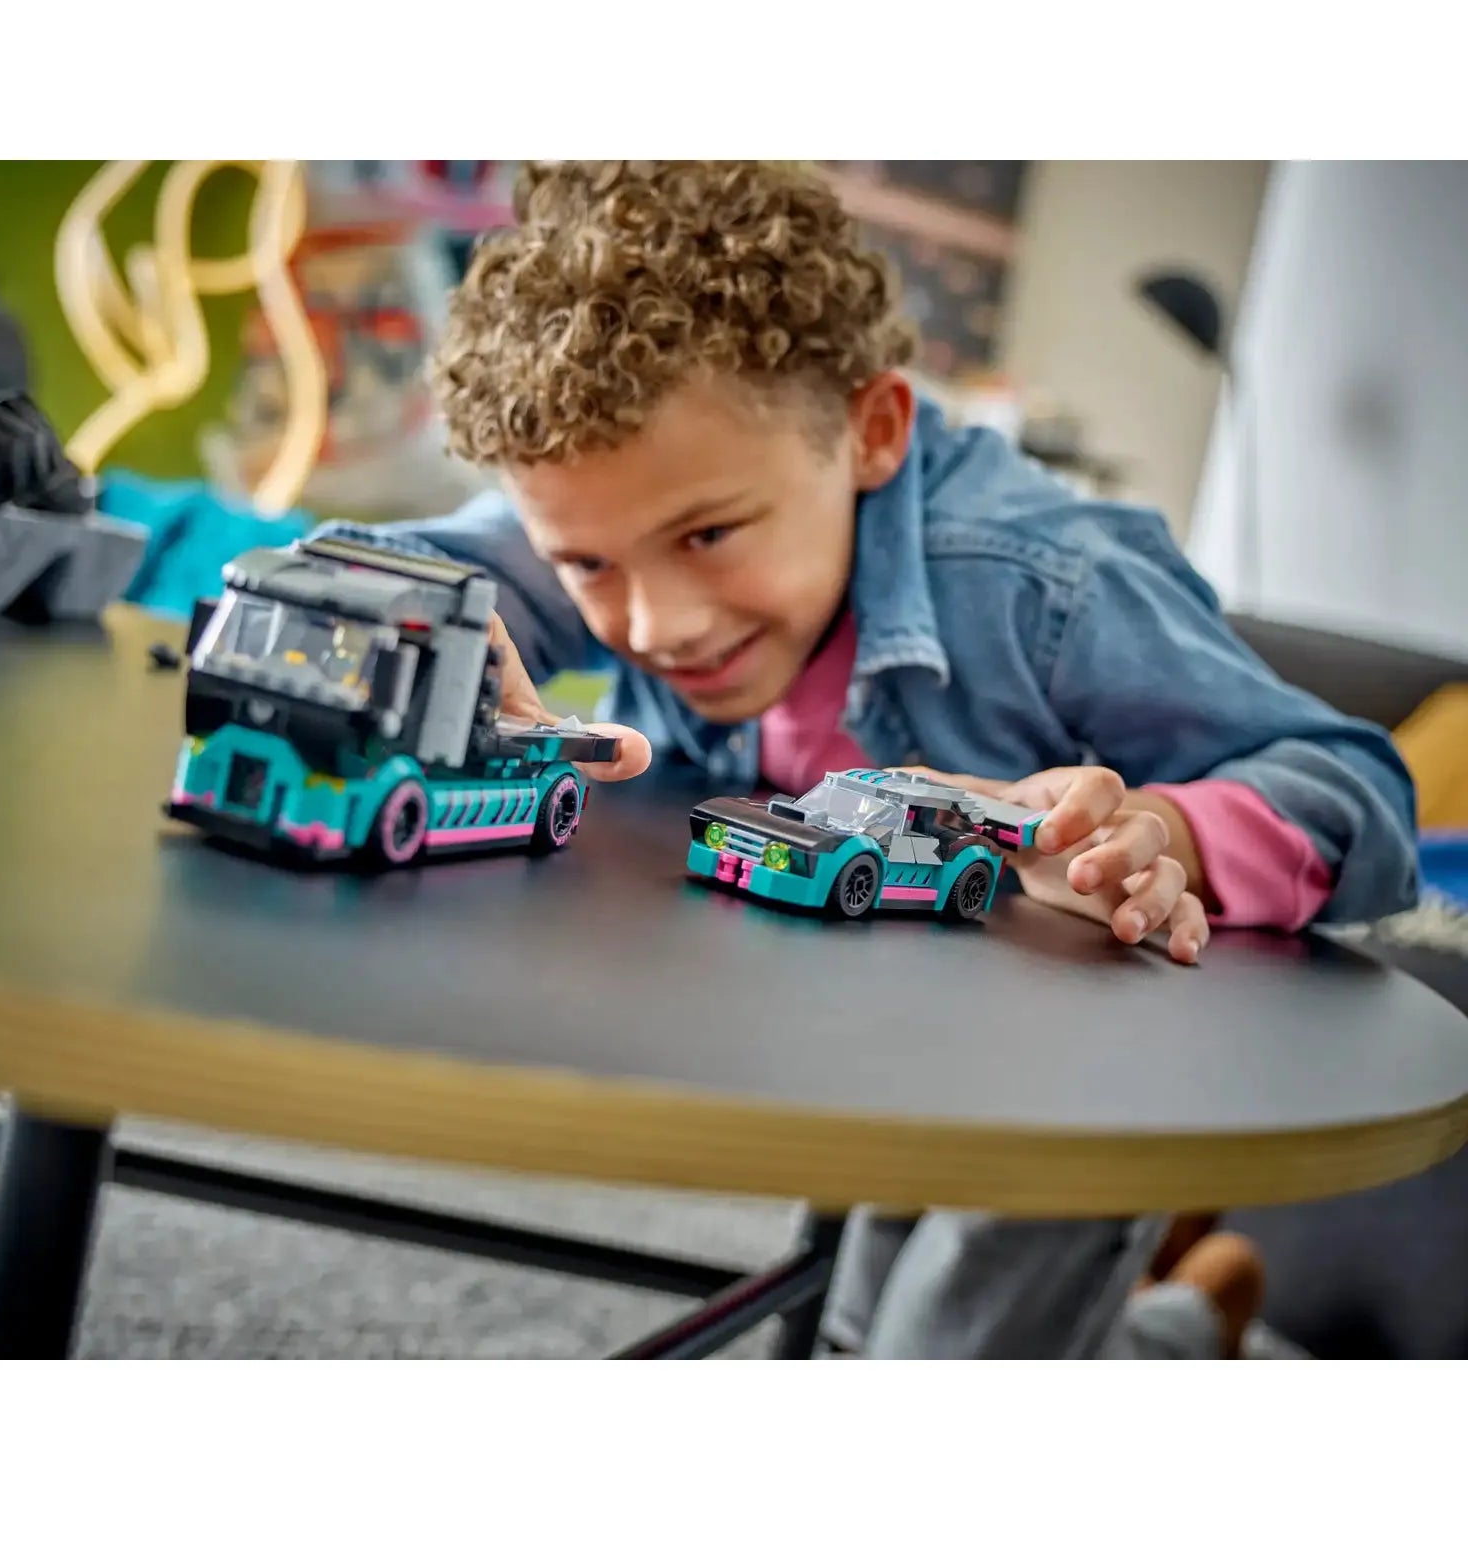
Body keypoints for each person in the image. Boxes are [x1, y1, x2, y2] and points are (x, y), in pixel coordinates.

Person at [315, 161, 1418, 1357]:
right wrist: (417, 623)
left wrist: (1170, 833)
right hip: (894, 1014)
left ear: (873, 432)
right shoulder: (620, 485)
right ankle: (1194, 1316)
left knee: (948, 1352)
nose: (657, 622)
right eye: (588, 565)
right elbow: (435, 574)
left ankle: (1189, 1324)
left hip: (1086, 1063)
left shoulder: (1047, 581)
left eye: (709, 535)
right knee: (856, 1320)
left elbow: (1356, 788)